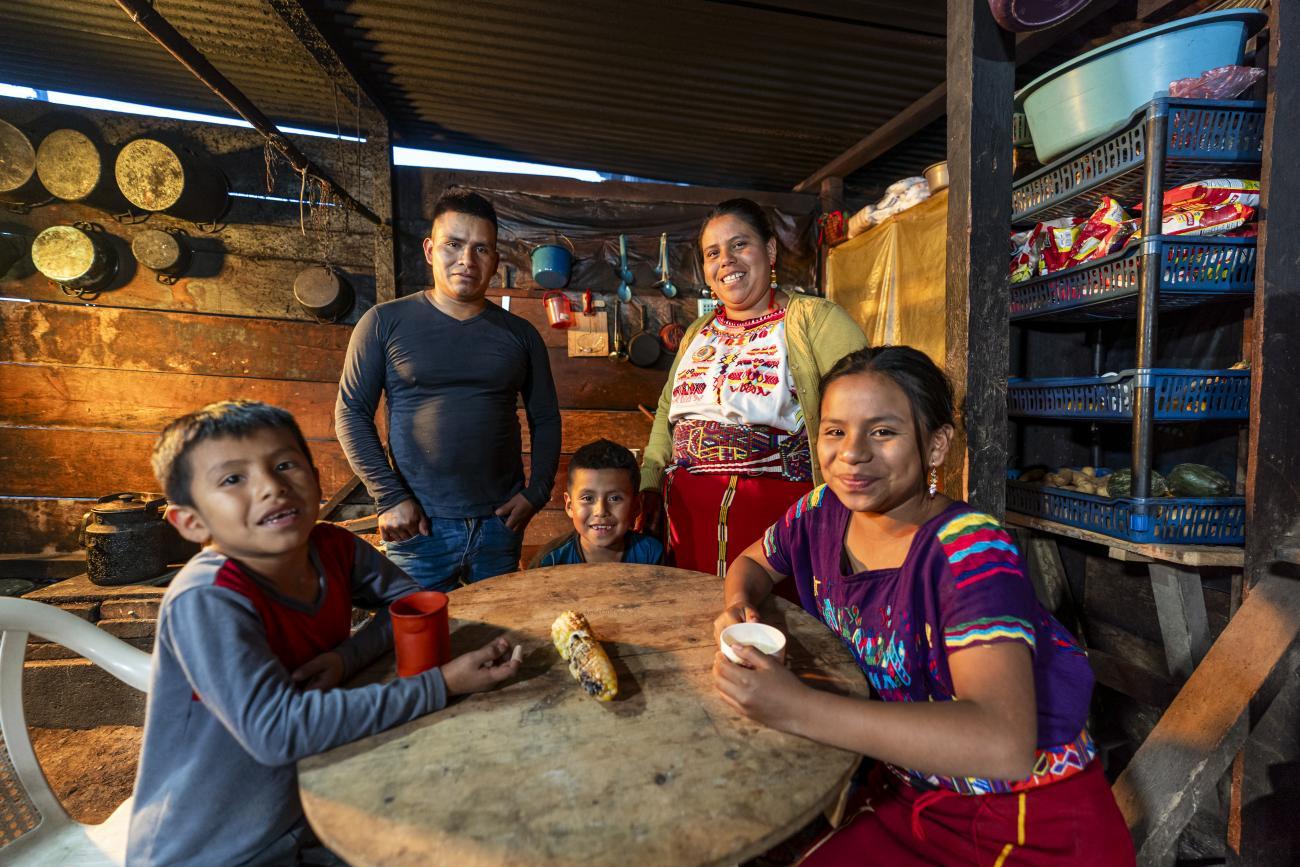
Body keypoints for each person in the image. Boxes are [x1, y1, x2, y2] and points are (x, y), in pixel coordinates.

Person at [712, 347, 1134, 865]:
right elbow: (752, 565)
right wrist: (739, 606)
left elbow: (1003, 743)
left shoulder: (970, 552)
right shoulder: (821, 511)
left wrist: (796, 707)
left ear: (936, 447)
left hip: (1029, 823)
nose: (852, 454)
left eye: (883, 432)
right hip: (910, 799)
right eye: (834, 430)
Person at [128, 401, 522, 866]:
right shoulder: (207, 598)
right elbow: (277, 731)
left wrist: (346, 658)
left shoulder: (333, 548)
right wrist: (443, 684)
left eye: (284, 465)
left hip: (315, 812)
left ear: (315, 479)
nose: (271, 487)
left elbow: (409, 605)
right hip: (219, 850)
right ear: (191, 521)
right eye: (233, 479)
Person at [336, 189, 562, 591]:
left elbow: (544, 417)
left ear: (495, 259)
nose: (466, 260)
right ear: (429, 249)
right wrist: (388, 496)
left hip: (499, 522)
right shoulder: (383, 323)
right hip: (418, 524)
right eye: (453, 245)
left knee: (500, 641)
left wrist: (537, 493)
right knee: (419, 643)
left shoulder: (521, 335)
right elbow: (351, 412)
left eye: (481, 249)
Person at [639, 198, 866, 585]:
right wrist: (649, 482)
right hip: (688, 522)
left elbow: (863, 409)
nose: (726, 260)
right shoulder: (698, 332)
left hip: (778, 529)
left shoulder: (817, 321)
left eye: (740, 244)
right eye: (713, 252)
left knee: (772, 632)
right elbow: (666, 412)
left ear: (771, 250)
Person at [528, 439, 664, 568]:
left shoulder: (651, 555)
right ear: (570, 505)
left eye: (615, 498)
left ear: (636, 506)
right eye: (588, 498)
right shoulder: (550, 561)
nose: (601, 511)